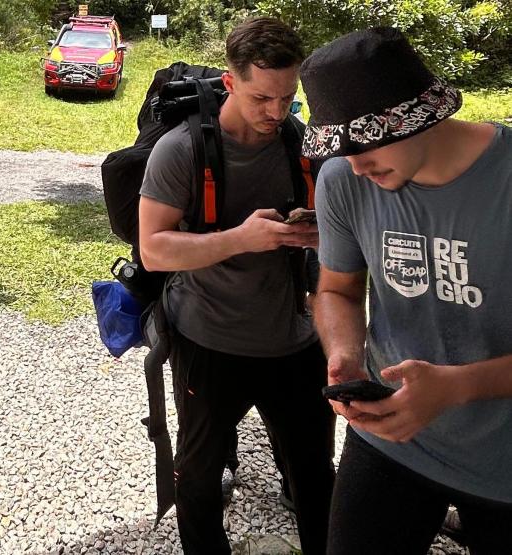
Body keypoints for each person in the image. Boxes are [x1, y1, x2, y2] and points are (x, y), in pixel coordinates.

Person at [302, 27, 512, 554]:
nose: (355, 164)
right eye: (341, 149)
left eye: (367, 143)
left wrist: (456, 387)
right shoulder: (343, 181)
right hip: (391, 441)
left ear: (424, 116)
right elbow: (337, 291)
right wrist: (345, 355)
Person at [138, 17, 335, 554]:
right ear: (230, 83)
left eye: (288, 98)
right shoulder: (181, 150)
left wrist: (317, 232)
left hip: (295, 341)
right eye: (261, 98)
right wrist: (242, 238)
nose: (275, 112)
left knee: (317, 475)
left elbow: (334, 236)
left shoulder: (300, 143)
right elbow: (154, 249)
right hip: (209, 341)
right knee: (198, 479)